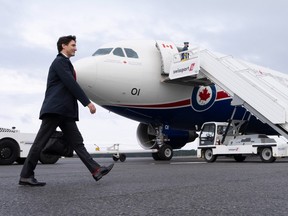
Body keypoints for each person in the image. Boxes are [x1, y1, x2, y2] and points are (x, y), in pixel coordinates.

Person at [19, 35, 113, 186]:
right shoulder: (59, 62)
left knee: (77, 142)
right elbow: (70, 83)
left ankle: (96, 170)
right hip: (56, 109)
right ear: (63, 46)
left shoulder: (65, 63)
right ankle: (26, 175)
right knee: (40, 143)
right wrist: (87, 103)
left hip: (65, 111)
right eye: (73, 45)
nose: (75, 48)